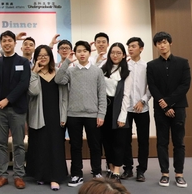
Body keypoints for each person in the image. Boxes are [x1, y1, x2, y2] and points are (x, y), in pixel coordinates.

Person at [55, 40, 106, 187]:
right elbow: (58, 80)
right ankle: (77, 174)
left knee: (95, 145)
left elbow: (101, 94)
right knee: (75, 146)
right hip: (73, 115)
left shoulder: (97, 71)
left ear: (89, 53)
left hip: (92, 114)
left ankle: (96, 172)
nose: (82, 53)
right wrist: (66, 62)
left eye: (84, 51)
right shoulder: (70, 70)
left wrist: (101, 114)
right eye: (79, 51)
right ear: (75, 53)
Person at [0, 30, 31, 190]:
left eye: (9, 40)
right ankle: (2, 175)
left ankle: (18, 175)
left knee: (18, 144)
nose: (7, 43)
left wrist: (8, 99)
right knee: (1, 144)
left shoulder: (23, 62)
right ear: (1, 43)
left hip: (17, 109)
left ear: (14, 43)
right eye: (4, 41)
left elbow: (23, 84)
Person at [147, 31, 190, 188]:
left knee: (179, 142)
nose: (162, 45)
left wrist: (169, 103)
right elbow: (152, 87)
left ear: (170, 43)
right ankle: (164, 173)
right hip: (160, 109)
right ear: (156, 46)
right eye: (159, 43)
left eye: (164, 42)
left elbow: (185, 86)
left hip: (178, 108)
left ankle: (179, 174)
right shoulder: (151, 65)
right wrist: (164, 105)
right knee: (162, 142)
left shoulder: (183, 63)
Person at [26, 45, 68, 191]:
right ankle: (41, 175)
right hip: (38, 115)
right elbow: (34, 92)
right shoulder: (32, 73)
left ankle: (55, 177)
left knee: (55, 146)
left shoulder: (58, 73)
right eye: (39, 55)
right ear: (35, 58)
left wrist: (64, 116)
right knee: (40, 145)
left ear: (50, 57)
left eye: (45, 55)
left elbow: (64, 98)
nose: (42, 58)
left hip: (56, 115)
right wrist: (35, 73)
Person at [100, 43, 131, 183]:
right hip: (104, 108)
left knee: (119, 141)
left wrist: (123, 116)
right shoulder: (102, 69)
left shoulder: (126, 72)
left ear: (123, 55)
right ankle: (111, 168)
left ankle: (117, 171)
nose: (115, 55)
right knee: (107, 140)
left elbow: (126, 95)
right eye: (113, 52)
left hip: (119, 109)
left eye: (119, 53)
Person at [121, 37, 150, 182]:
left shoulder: (147, 66)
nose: (130, 49)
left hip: (142, 108)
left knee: (143, 140)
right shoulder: (124, 66)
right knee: (125, 140)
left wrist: (143, 100)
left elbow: (151, 87)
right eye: (129, 47)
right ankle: (128, 168)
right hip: (126, 108)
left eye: (133, 46)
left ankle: (141, 170)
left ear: (141, 48)